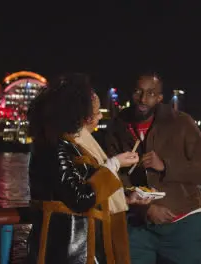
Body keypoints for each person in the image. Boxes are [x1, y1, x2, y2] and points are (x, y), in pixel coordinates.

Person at [26, 72, 144, 264]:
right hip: (70, 253)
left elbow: (81, 189)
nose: (98, 116)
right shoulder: (56, 146)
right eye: (95, 112)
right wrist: (113, 165)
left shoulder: (60, 143)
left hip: (76, 249)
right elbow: (80, 198)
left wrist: (126, 197)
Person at [104, 74, 201, 264]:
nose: (142, 99)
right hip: (138, 226)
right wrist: (146, 209)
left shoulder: (181, 122)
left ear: (159, 98)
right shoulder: (118, 125)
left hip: (184, 226)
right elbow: (116, 177)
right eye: (138, 92)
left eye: (150, 93)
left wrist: (166, 165)